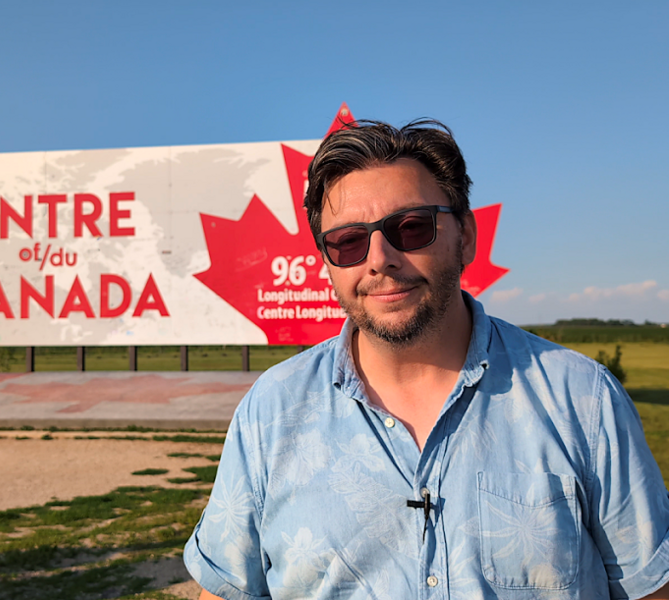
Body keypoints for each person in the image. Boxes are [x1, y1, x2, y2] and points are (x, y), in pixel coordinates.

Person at [184, 119, 669, 599]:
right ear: (328, 263)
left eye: (411, 228)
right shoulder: (271, 412)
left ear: (467, 237)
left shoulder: (582, 401)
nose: (379, 258)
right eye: (348, 241)